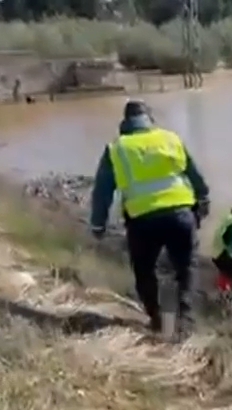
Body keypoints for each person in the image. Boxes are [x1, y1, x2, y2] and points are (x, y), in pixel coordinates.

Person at [89, 99, 211, 337]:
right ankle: (185, 322)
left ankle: (158, 322)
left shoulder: (117, 148)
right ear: (150, 120)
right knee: (186, 269)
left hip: (142, 221)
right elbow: (194, 174)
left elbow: (102, 190)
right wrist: (203, 200)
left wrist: (98, 224)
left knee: (145, 272)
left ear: (125, 123)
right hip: (180, 215)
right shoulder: (170, 139)